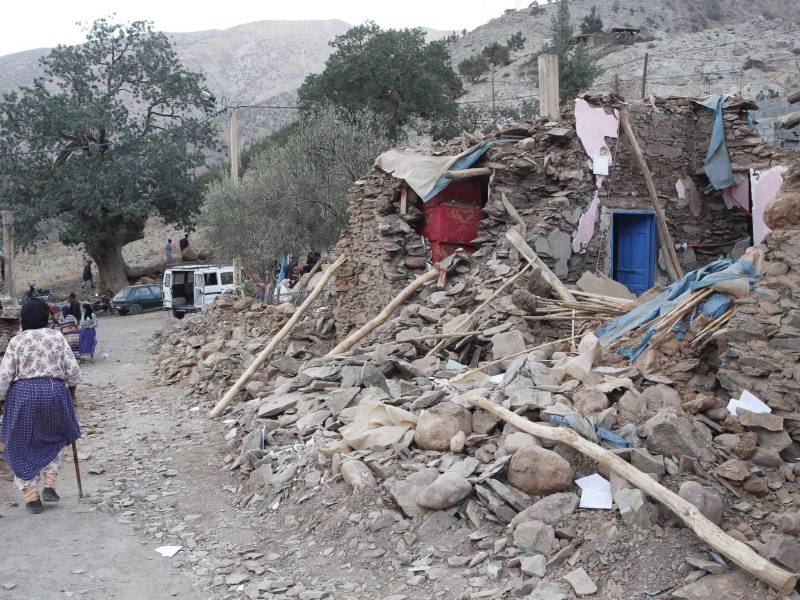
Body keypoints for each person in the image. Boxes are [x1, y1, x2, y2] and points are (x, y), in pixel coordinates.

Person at [0, 298, 81, 513]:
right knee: (54, 437)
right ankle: (50, 485)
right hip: (54, 391)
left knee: (20, 443)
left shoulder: (16, 341)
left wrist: (1, 401)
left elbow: (4, 376)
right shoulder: (56, 337)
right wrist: (72, 393)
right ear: (46, 317)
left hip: (23, 394)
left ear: (23, 318)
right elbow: (72, 370)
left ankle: (32, 497)